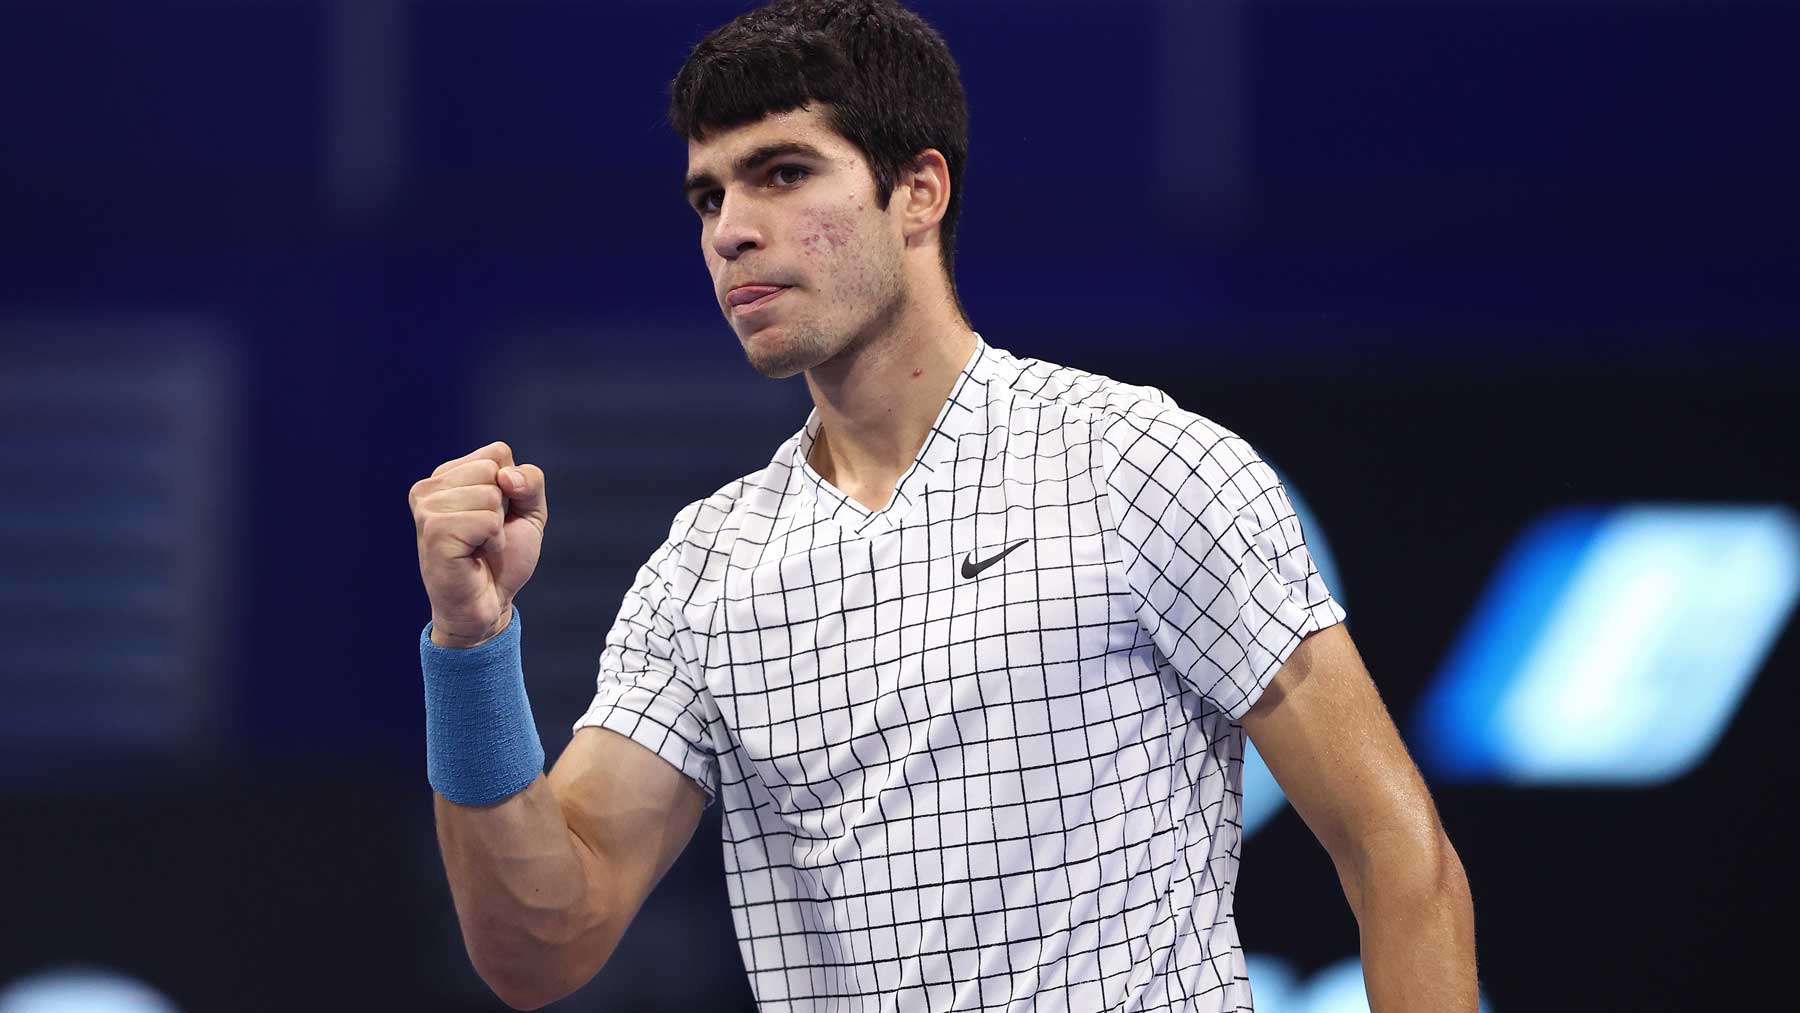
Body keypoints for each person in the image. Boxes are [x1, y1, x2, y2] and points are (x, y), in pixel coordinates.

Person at [407, 1, 1477, 1009]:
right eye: (710, 195)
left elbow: (1396, 849)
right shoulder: (705, 568)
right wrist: (471, 648)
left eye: (783, 172)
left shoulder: (1139, 464)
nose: (731, 230)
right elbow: (539, 945)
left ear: (919, 190)